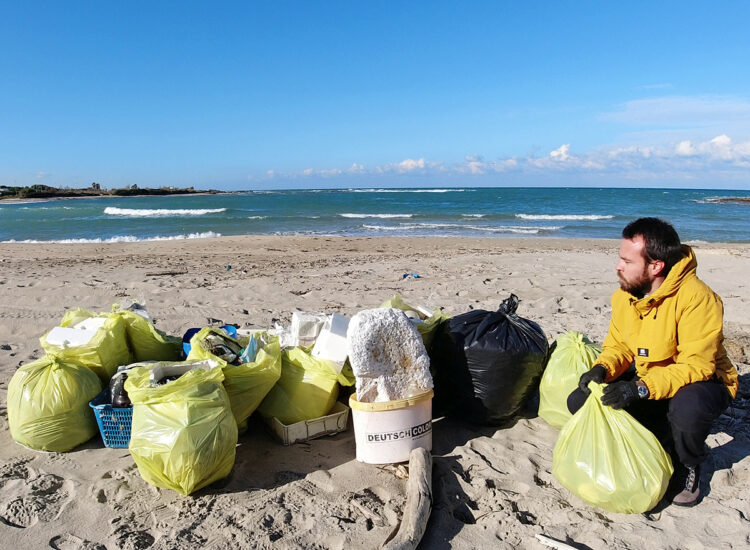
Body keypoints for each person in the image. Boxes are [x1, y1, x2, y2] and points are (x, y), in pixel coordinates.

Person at [568, 217, 738, 507]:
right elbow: (619, 345)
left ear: (655, 266)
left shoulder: (699, 299)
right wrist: (603, 368)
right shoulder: (625, 296)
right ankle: (657, 435)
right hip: (650, 378)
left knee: (687, 411)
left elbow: (696, 367)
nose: (618, 266)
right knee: (579, 401)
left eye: (626, 261)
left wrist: (638, 389)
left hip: (703, 381)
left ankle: (690, 464)